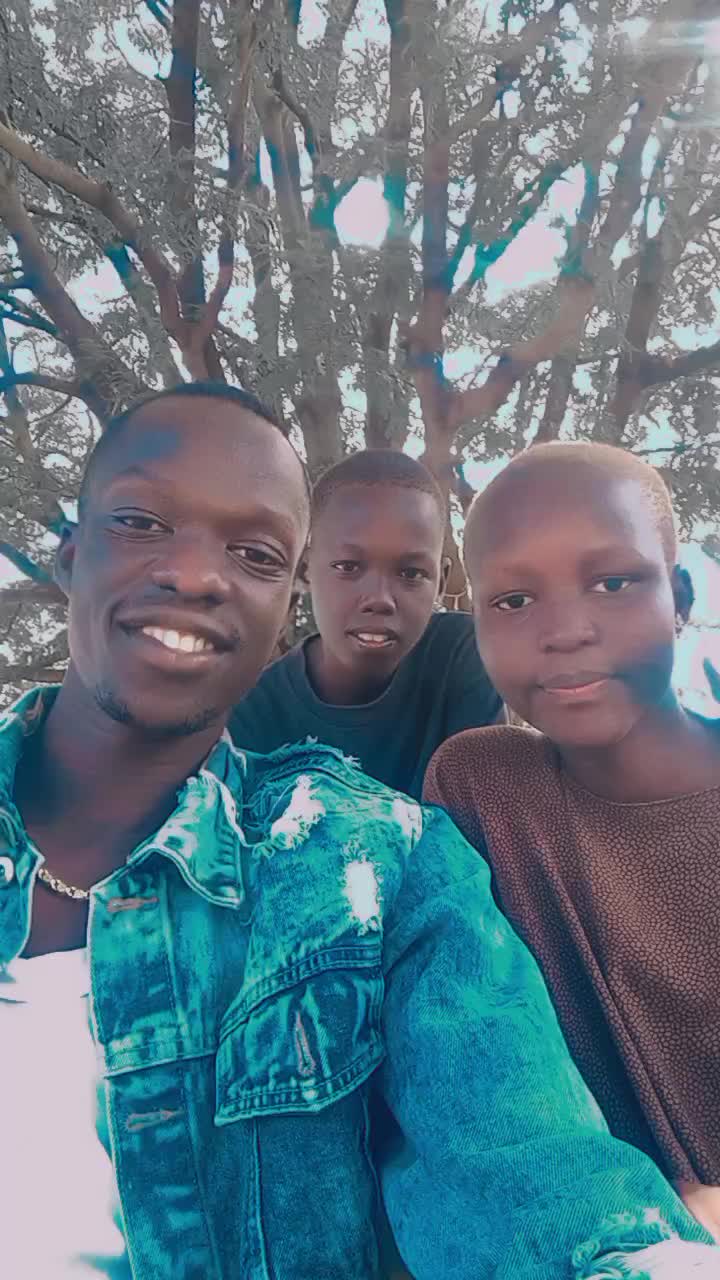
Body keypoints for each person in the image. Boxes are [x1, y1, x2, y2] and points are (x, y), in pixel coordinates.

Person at [0, 387, 715, 1280]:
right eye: (142, 522)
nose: (195, 573)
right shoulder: (461, 779)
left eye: (254, 552)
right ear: (69, 554)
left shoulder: (391, 859)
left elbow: (518, 1154)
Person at [424, 441, 720, 1243]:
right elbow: (464, 1064)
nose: (564, 631)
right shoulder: (487, 790)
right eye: (514, 600)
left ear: (680, 595)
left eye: (613, 582)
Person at [230, 450, 502, 799]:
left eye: (411, 573)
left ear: (440, 581)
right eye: (348, 567)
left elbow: (484, 814)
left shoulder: (462, 655)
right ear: (306, 569)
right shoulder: (250, 718)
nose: (380, 599)